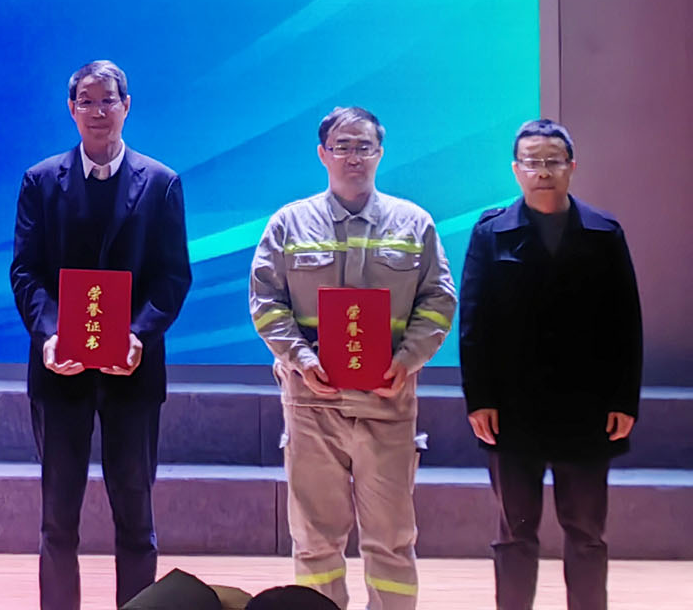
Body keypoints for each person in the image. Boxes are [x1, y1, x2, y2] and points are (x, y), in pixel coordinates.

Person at [249, 107, 457, 610]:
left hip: (387, 404)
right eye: (342, 146)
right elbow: (265, 301)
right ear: (323, 154)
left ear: (380, 153)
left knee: (391, 541)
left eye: (364, 146)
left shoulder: (414, 223)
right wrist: (300, 358)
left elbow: (439, 299)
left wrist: (408, 359)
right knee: (315, 541)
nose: (353, 156)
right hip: (312, 405)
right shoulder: (289, 223)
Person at [10, 60, 192, 610]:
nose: (97, 111)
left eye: (107, 99)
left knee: (135, 518)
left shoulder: (160, 183)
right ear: (71, 109)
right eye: (86, 101)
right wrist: (49, 336)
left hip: (132, 373)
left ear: (126, 105)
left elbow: (173, 276)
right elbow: (26, 272)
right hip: (59, 371)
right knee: (57, 521)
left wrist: (138, 335)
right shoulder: (41, 181)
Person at [459, 118, 643, 610]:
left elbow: (626, 322)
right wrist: (479, 400)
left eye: (553, 161)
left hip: (586, 407)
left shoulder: (603, 232)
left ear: (571, 167)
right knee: (514, 532)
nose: (543, 171)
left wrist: (624, 399)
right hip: (511, 408)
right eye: (532, 162)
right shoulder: (492, 232)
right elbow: (473, 322)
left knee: (586, 532)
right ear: (516, 170)